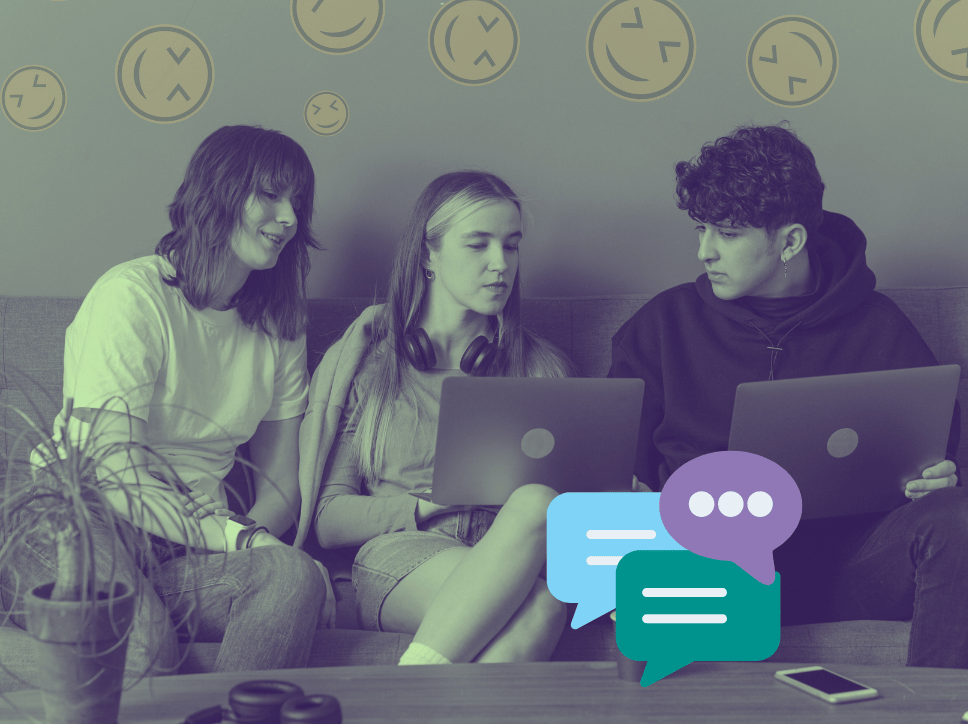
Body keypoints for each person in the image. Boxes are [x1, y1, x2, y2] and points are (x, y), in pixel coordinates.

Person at [608, 124, 968, 668]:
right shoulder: (662, 327)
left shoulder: (880, 327)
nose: (703, 251)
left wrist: (935, 478)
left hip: (846, 567)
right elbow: (615, 474)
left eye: (727, 233)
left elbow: (932, 457)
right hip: (717, 567)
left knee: (963, 515)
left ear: (790, 241)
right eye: (700, 229)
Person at [1, 125, 332, 684]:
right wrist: (239, 538)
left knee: (293, 576)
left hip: (184, 546)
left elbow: (281, 482)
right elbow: (114, 469)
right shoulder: (132, 298)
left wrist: (245, 541)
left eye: (297, 203)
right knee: (146, 647)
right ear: (219, 191)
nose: (290, 219)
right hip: (78, 518)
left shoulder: (281, 325)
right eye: (271, 196)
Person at [294, 171, 572, 665]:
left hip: (516, 557)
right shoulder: (371, 364)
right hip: (400, 556)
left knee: (548, 596)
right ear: (428, 254)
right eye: (477, 245)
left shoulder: (542, 367)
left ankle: (423, 713)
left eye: (511, 246)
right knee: (534, 516)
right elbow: (329, 519)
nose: (499, 265)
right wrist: (430, 502)